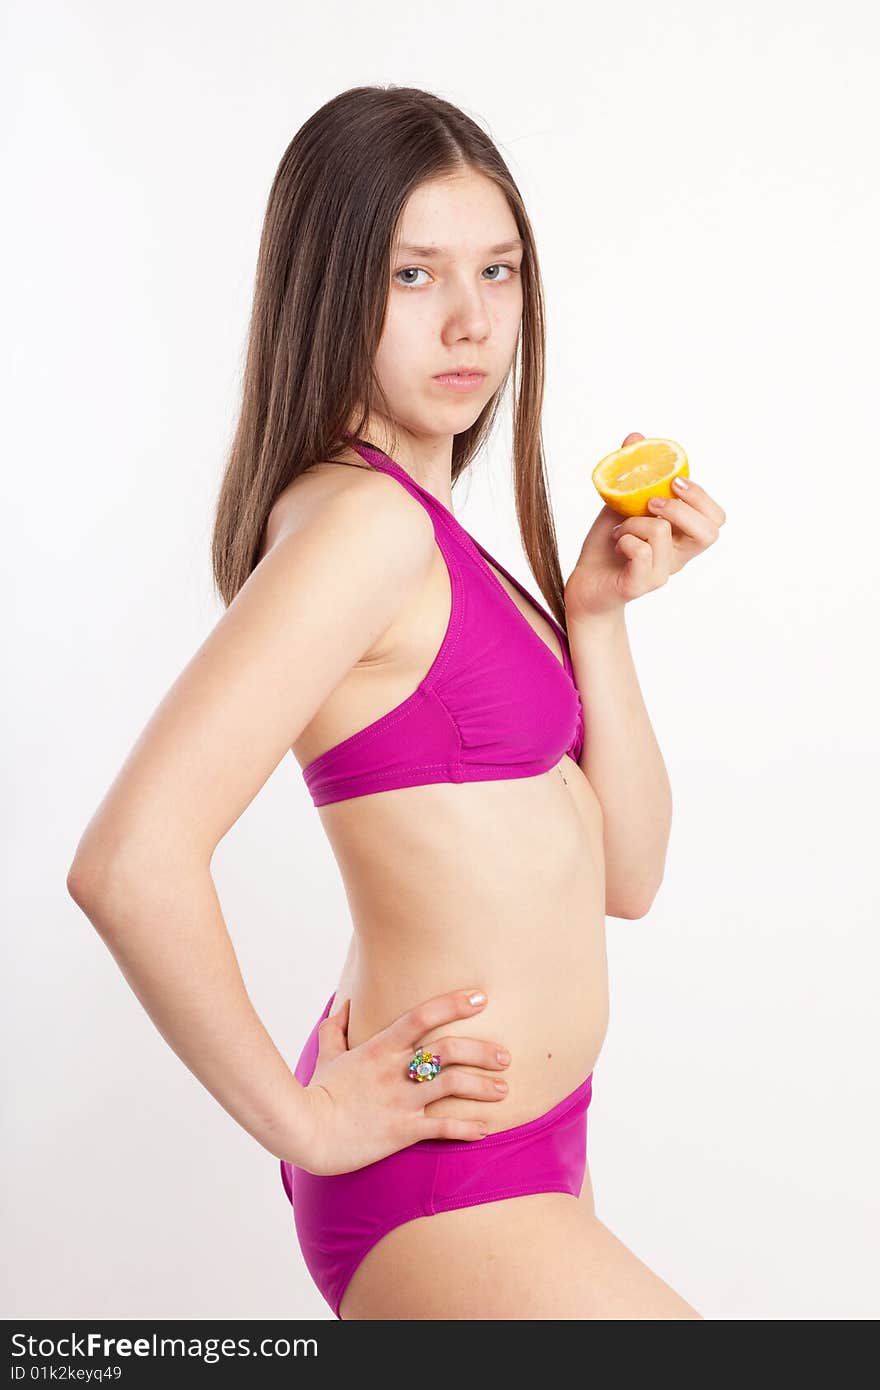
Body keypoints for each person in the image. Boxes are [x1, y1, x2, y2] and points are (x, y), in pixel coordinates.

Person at [67, 85, 725, 1320]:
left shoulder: (431, 536)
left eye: (499, 269)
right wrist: (304, 1119)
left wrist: (595, 617)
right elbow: (129, 861)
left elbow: (625, 876)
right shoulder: (363, 528)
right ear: (329, 290)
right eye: (413, 275)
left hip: (533, 1159)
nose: (472, 320)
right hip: (441, 1184)